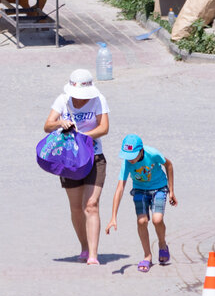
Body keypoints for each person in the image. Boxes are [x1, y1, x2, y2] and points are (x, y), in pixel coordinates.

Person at [43, 69, 110, 266]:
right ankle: (84, 246)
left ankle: (93, 255)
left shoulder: (98, 100)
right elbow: (47, 125)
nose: (79, 100)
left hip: (94, 157)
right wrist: (60, 123)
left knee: (91, 205)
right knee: (76, 208)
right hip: (70, 160)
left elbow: (104, 128)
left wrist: (83, 137)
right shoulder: (63, 100)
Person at [105, 134, 177, 272]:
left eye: (133, 155)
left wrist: (172, 191)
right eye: (127, 155)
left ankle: (162, 245)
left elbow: (169, 165)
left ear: (141, 151)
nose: (130, 159)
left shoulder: (153, 154)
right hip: (140, 190)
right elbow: (120, 188)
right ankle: (147, 256)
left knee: (157, 219)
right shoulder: (127, 162)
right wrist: (113, 217)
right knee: (142, 221)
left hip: (159, 188)